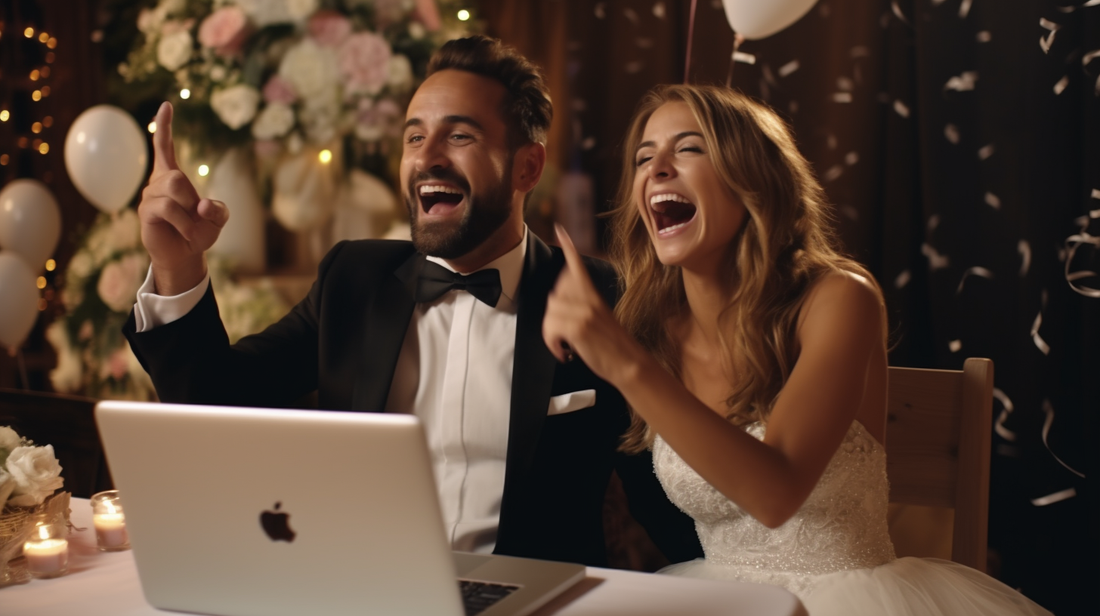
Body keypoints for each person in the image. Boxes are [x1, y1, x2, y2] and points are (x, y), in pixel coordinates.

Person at [123, 36, 702, 568]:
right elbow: (211, 402)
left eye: (459, 135)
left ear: (527, 166)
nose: (427, 158)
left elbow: (669, 501)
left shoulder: (601, 297)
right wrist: (177, 267)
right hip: (364, 592)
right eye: (415, 136)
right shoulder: (353, 279)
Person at [542, 84, 1052, 615]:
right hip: (714, 599)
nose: (657, 169)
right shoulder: (650, 330)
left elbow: (775, 494)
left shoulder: (840, 298)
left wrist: (627, 365)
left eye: (689, 148)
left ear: (753, 179)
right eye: (644, 158)